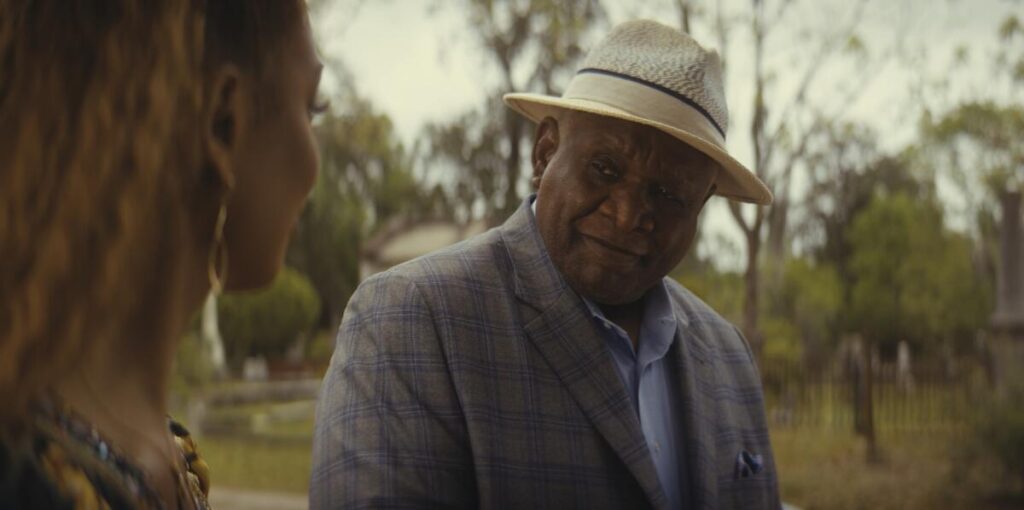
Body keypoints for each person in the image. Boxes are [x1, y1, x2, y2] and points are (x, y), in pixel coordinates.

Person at [311, 19, 779, 510]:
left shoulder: (728, 355)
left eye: (668, 194)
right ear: (545, 152)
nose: (627, 216)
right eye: (605, 169)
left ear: (701, 204)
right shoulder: (409, 319)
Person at [0, 1, 324, 508]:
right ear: (222, 122)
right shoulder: (22, 480)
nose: (314, 166)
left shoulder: (161, 456)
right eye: (312, 107)